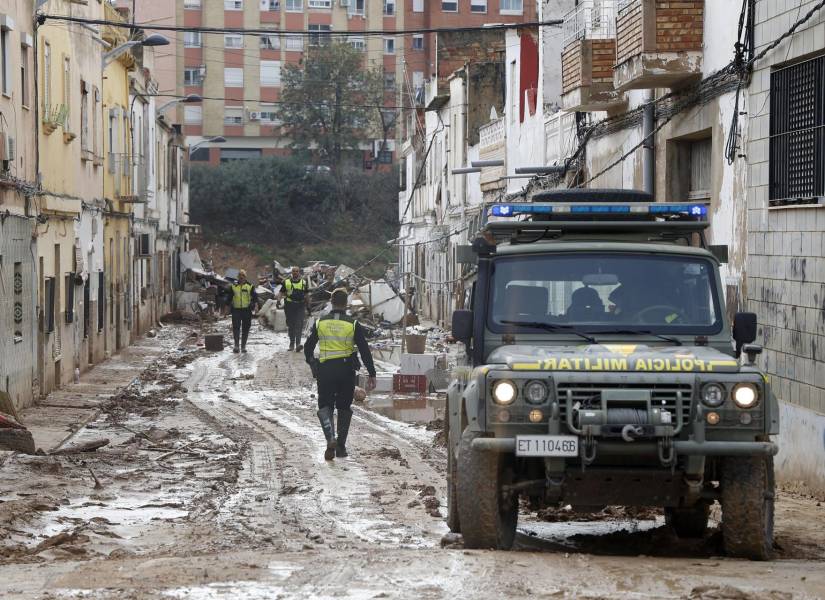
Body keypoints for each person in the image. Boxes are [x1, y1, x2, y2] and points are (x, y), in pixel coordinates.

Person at [304, 288, 377, 460]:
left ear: (331, 302)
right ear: (346, 304)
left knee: (325, 406)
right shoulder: (352, 324)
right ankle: (341, 448)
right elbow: (364, 350)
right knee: (344, 407)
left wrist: (312, 363)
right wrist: (372, 373)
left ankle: (330, 438)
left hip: (325, 370)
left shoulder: (320, 322)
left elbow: (308, 348)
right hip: (346, 371)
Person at [227, 269, 258, 353]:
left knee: (245, 328)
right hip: (236, 310)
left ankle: (243, 346)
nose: (241, 277)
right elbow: (229, 298)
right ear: (238, 277)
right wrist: (227, 307)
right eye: (240, 275)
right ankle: (236, 346)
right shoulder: (233, 286)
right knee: (236, 328)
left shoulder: (250, 286)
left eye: (243, 275)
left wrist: (253, 305)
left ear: (245, 277)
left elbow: (255, 298)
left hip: (246, 310)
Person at [280, 266, 310, 352]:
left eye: (297, 271)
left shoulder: (304, 283)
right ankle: (291, 344)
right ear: (291, 273)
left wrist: (308, 307)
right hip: (289, 305)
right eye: (294, 271)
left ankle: (298, 344)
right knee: (291, 325)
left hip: (300, 305)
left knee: (299, 324)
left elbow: (307, 295)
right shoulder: (286, 282)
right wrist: (278, 301)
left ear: (299, 273)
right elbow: (281, 292)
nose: (295, 273)